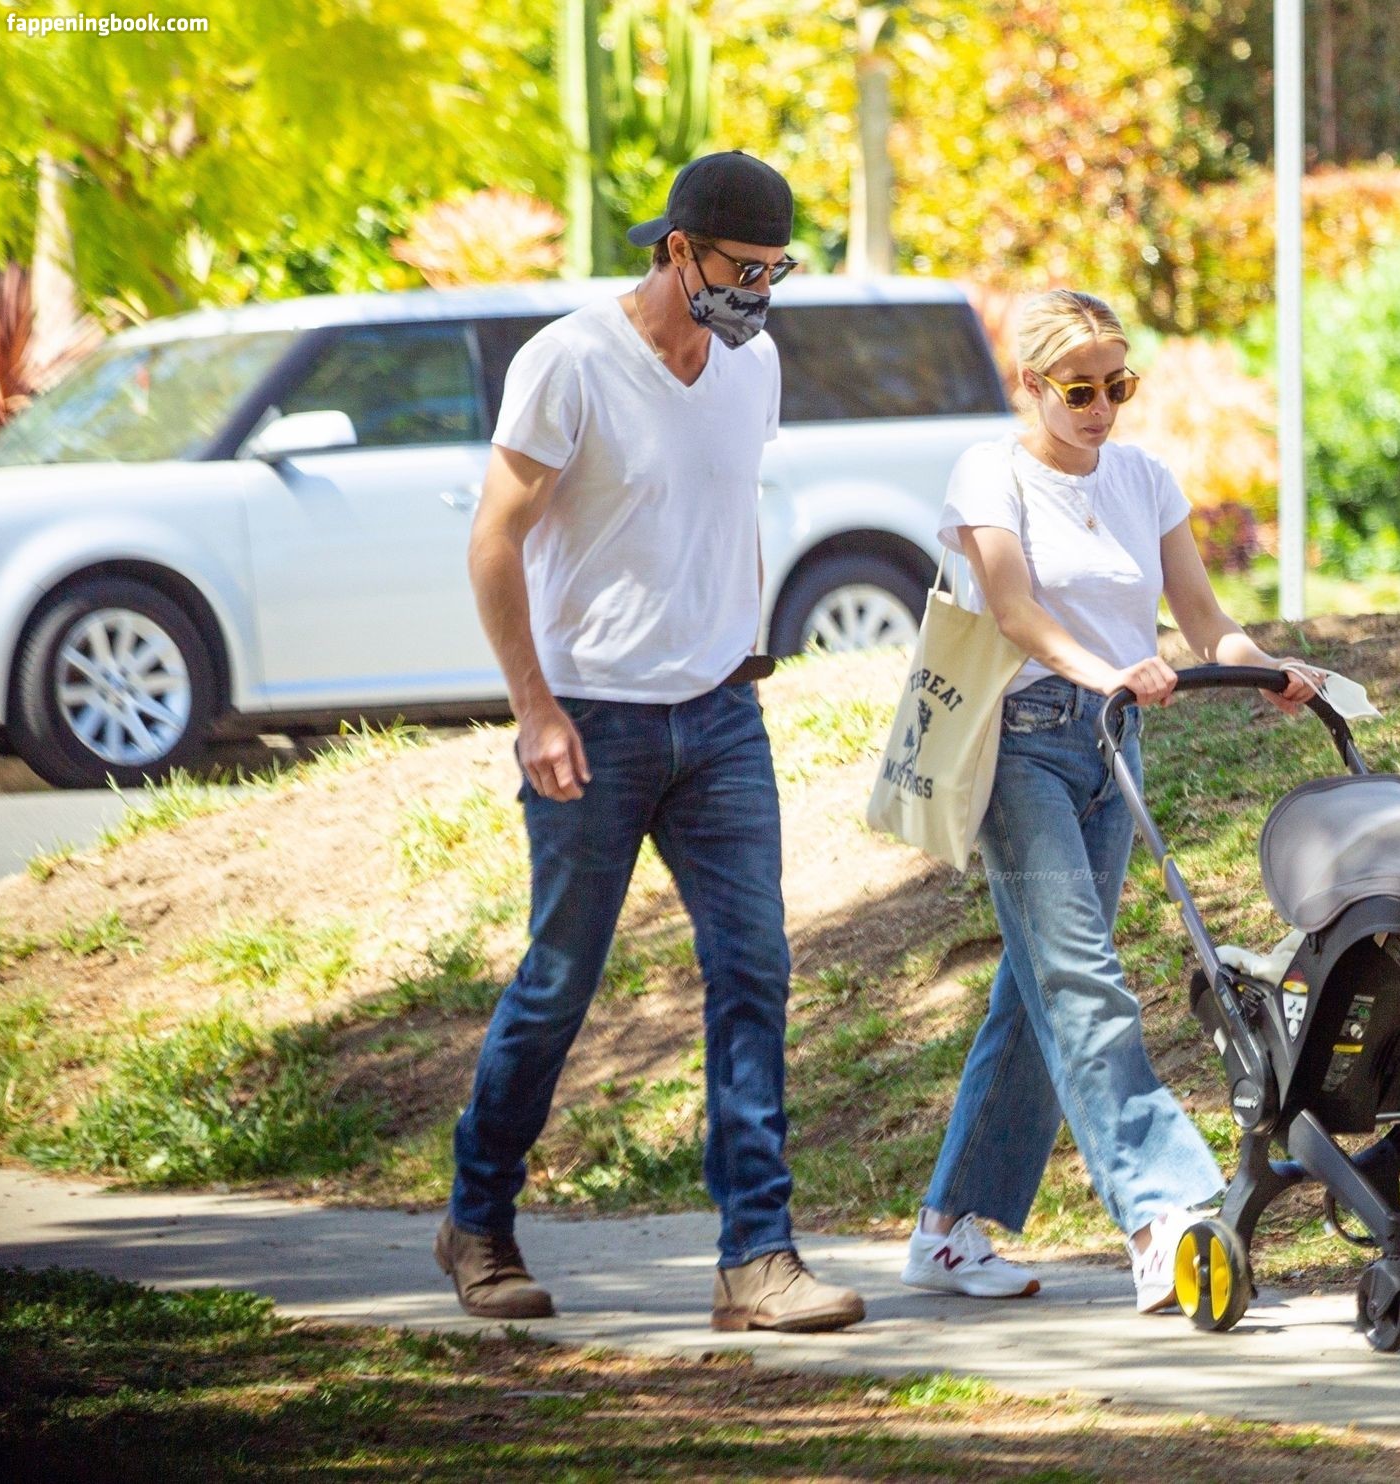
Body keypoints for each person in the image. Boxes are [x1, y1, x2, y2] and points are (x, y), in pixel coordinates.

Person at [437, 151, 863, 1334]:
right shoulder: (570, 361)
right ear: (678, 249)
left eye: (775, 270)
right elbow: (494, 538)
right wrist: (534, 707)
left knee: (755, 970)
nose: (758, 292)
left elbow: (718, 509)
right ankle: (477, 1221)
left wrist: (737, 642)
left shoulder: (753, 363)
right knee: (558, 982)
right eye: (741, 268)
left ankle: (757, 1258)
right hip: (593, 719)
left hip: (723, 717)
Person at [900, 289, 1326, 1311]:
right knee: (1083, 983)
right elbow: (1014, 610)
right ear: (1031, 385)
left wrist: (1267, 669)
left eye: (1117, 386)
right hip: (1022, 747)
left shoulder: (1143, 478)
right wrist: (1107, 672)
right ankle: (1161, 1213)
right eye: (1079, 390)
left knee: (1038, 986)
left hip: (1110, 747)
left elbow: (1202, 617)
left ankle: (945, 1229)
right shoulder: (990, 474)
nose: (1101, 408)